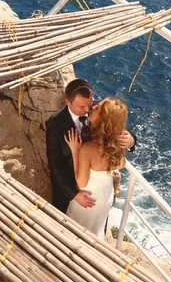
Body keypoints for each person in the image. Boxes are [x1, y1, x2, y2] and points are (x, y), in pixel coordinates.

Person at [45, 78, 135, 213]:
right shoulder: (55, 124)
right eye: (82, 107)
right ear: (68, 101)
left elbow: (115, 125)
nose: (88, 109)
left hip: (97, 188)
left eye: (91, 103)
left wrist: (131, 140)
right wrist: (74, 194)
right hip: (70, 188)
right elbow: (55, 165)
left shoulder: (100, 109)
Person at [64, 97, 128, 239]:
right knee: (95, 232)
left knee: (74, 235)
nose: (93, 107)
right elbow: (122, 164)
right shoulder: (117, 144)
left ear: (103, 119)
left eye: (98, 108)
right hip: (105, 197)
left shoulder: (88, 149)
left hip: (87, 200)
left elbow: (81, 182)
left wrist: (75, 151)